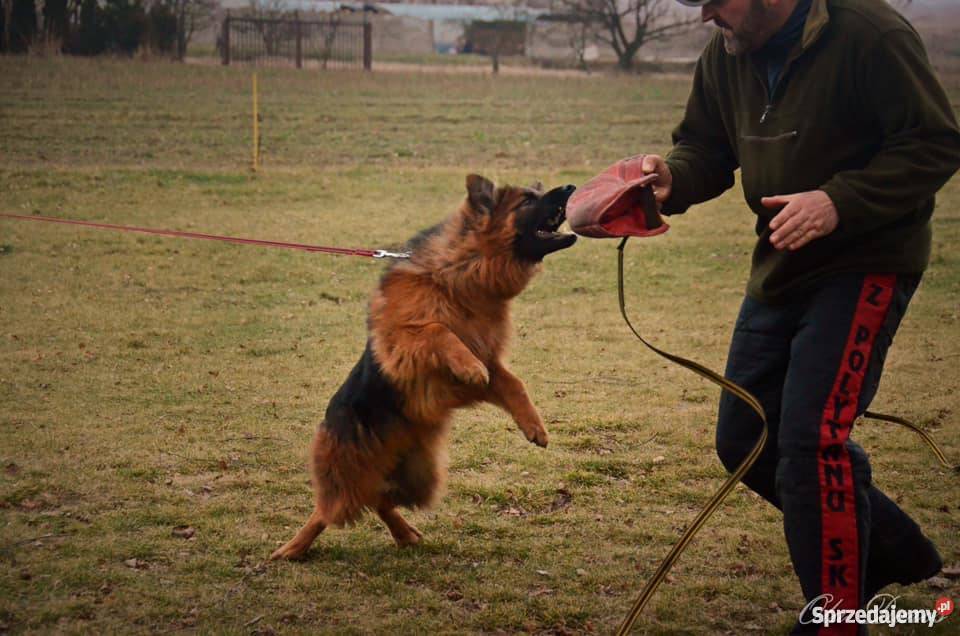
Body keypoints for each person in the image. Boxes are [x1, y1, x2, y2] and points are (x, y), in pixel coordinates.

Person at [639, 0, 960, 631]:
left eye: (715, 0)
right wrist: (670, 178)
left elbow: (935, 143)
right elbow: (705, 145)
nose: (706, 15)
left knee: (811, 440)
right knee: (744, 437)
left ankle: (835, 619)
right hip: (782, 263)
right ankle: (894, 552)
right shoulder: (727, 51)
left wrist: (839, 201)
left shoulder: (871, 34)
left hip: (866, 260)